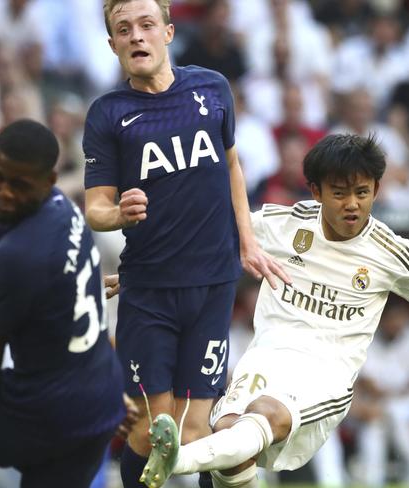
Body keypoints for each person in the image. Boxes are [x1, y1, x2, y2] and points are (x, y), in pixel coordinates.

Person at [139, 133, 409, 488]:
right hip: (267, 355)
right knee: (230, 439)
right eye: (339, 193)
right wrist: (145, 271)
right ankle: (182, 459)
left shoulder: (393, 252)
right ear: (316, 191)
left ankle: (178, 458)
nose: (352, 203)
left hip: (326, 371)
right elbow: (208, 237)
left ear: (376, 190)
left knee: (263, 415)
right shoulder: (284, 223)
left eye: (362, 192)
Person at [83, 1, 289, 486]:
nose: (136, 36)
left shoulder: (212, 88)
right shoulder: (108, 113)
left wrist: (248, 241)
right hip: (149, 291)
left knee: (196, 430)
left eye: (146, 25)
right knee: (157, 430)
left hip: (212, 283)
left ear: (169, 32)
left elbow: (232, 166)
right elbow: (95, 206)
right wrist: (118, 213)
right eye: (123, 29)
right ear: (112, 45)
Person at [0, 119, 135, 488]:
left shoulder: (17, 256)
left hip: (48, 406)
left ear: (49, 180)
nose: (4, 192)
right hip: (100, 399)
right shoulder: (66, 211)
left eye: (19, 185)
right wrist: (104, 393)